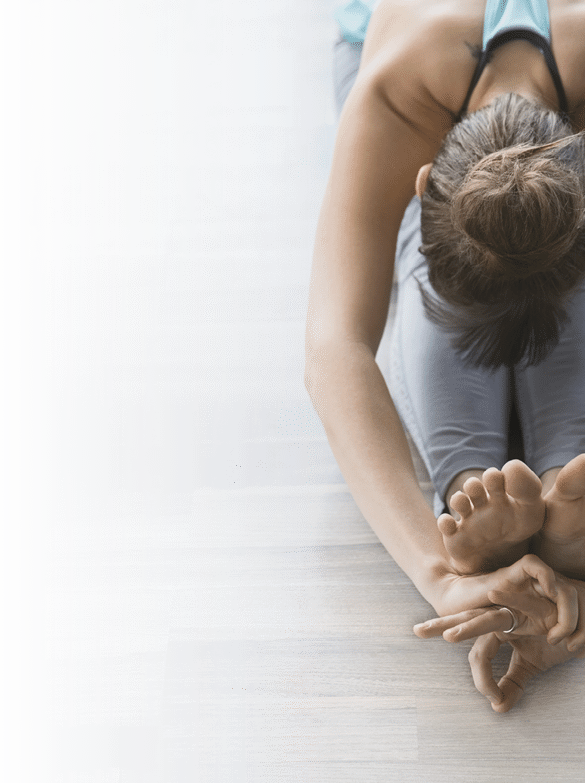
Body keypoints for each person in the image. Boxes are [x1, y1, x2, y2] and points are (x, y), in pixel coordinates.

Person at [305, 0, 585, 712]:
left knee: (547, 263)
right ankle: (479, 484)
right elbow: (335, 345)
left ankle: (554, 474)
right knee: (427, 259)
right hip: (405, 65)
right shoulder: (399, 88)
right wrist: (441, 575)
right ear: (422, 179)